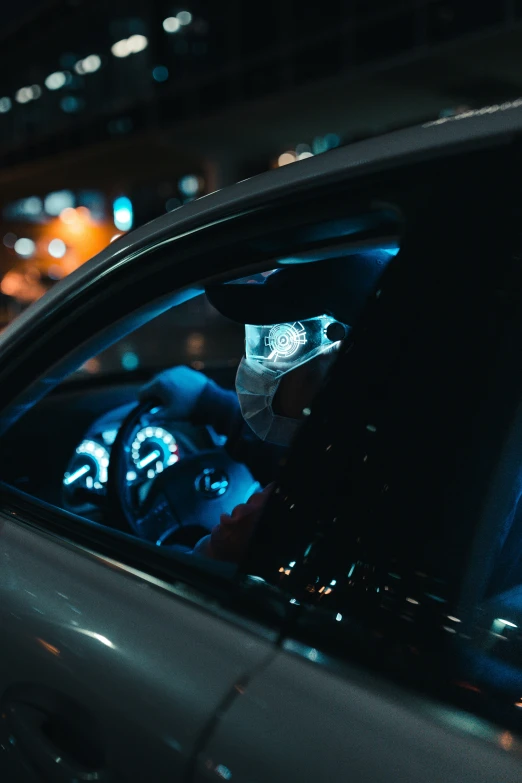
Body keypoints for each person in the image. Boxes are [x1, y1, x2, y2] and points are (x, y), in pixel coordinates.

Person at [139, 252, 391, 563]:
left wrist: (215, 551)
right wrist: (210, 403)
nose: (266, 362)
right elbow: (290, 458)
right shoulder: (354, 460)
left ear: (340, 365)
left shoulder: (282, 524)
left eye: (285, 343)